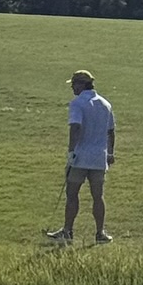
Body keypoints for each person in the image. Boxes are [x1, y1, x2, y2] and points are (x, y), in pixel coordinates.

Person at [48, 70, 115, 245]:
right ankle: (100, 233)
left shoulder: (77, 104)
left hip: (81, 156)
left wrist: (71, 151)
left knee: (72, 194)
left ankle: (68, 231)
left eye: (74, 85)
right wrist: (110, 152)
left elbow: (75, 128)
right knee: (98, 195)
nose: (72, 88)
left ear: (81, 85)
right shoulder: (105, 104)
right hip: (99, 157)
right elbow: (110, 131)